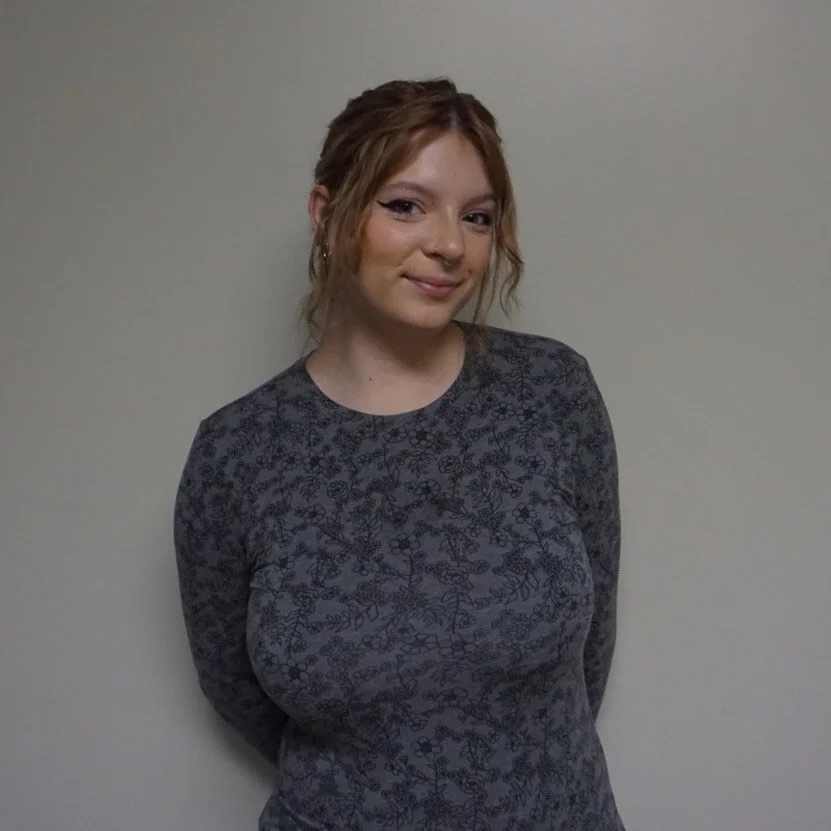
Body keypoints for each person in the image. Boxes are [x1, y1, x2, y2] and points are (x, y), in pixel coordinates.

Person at [174, 78, 624, 831]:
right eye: (406, 205)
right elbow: (233, 685)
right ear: (327, 214)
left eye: (477, 216)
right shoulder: (237, 453)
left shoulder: (550, 391)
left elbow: (590, 644)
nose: (449, 244)